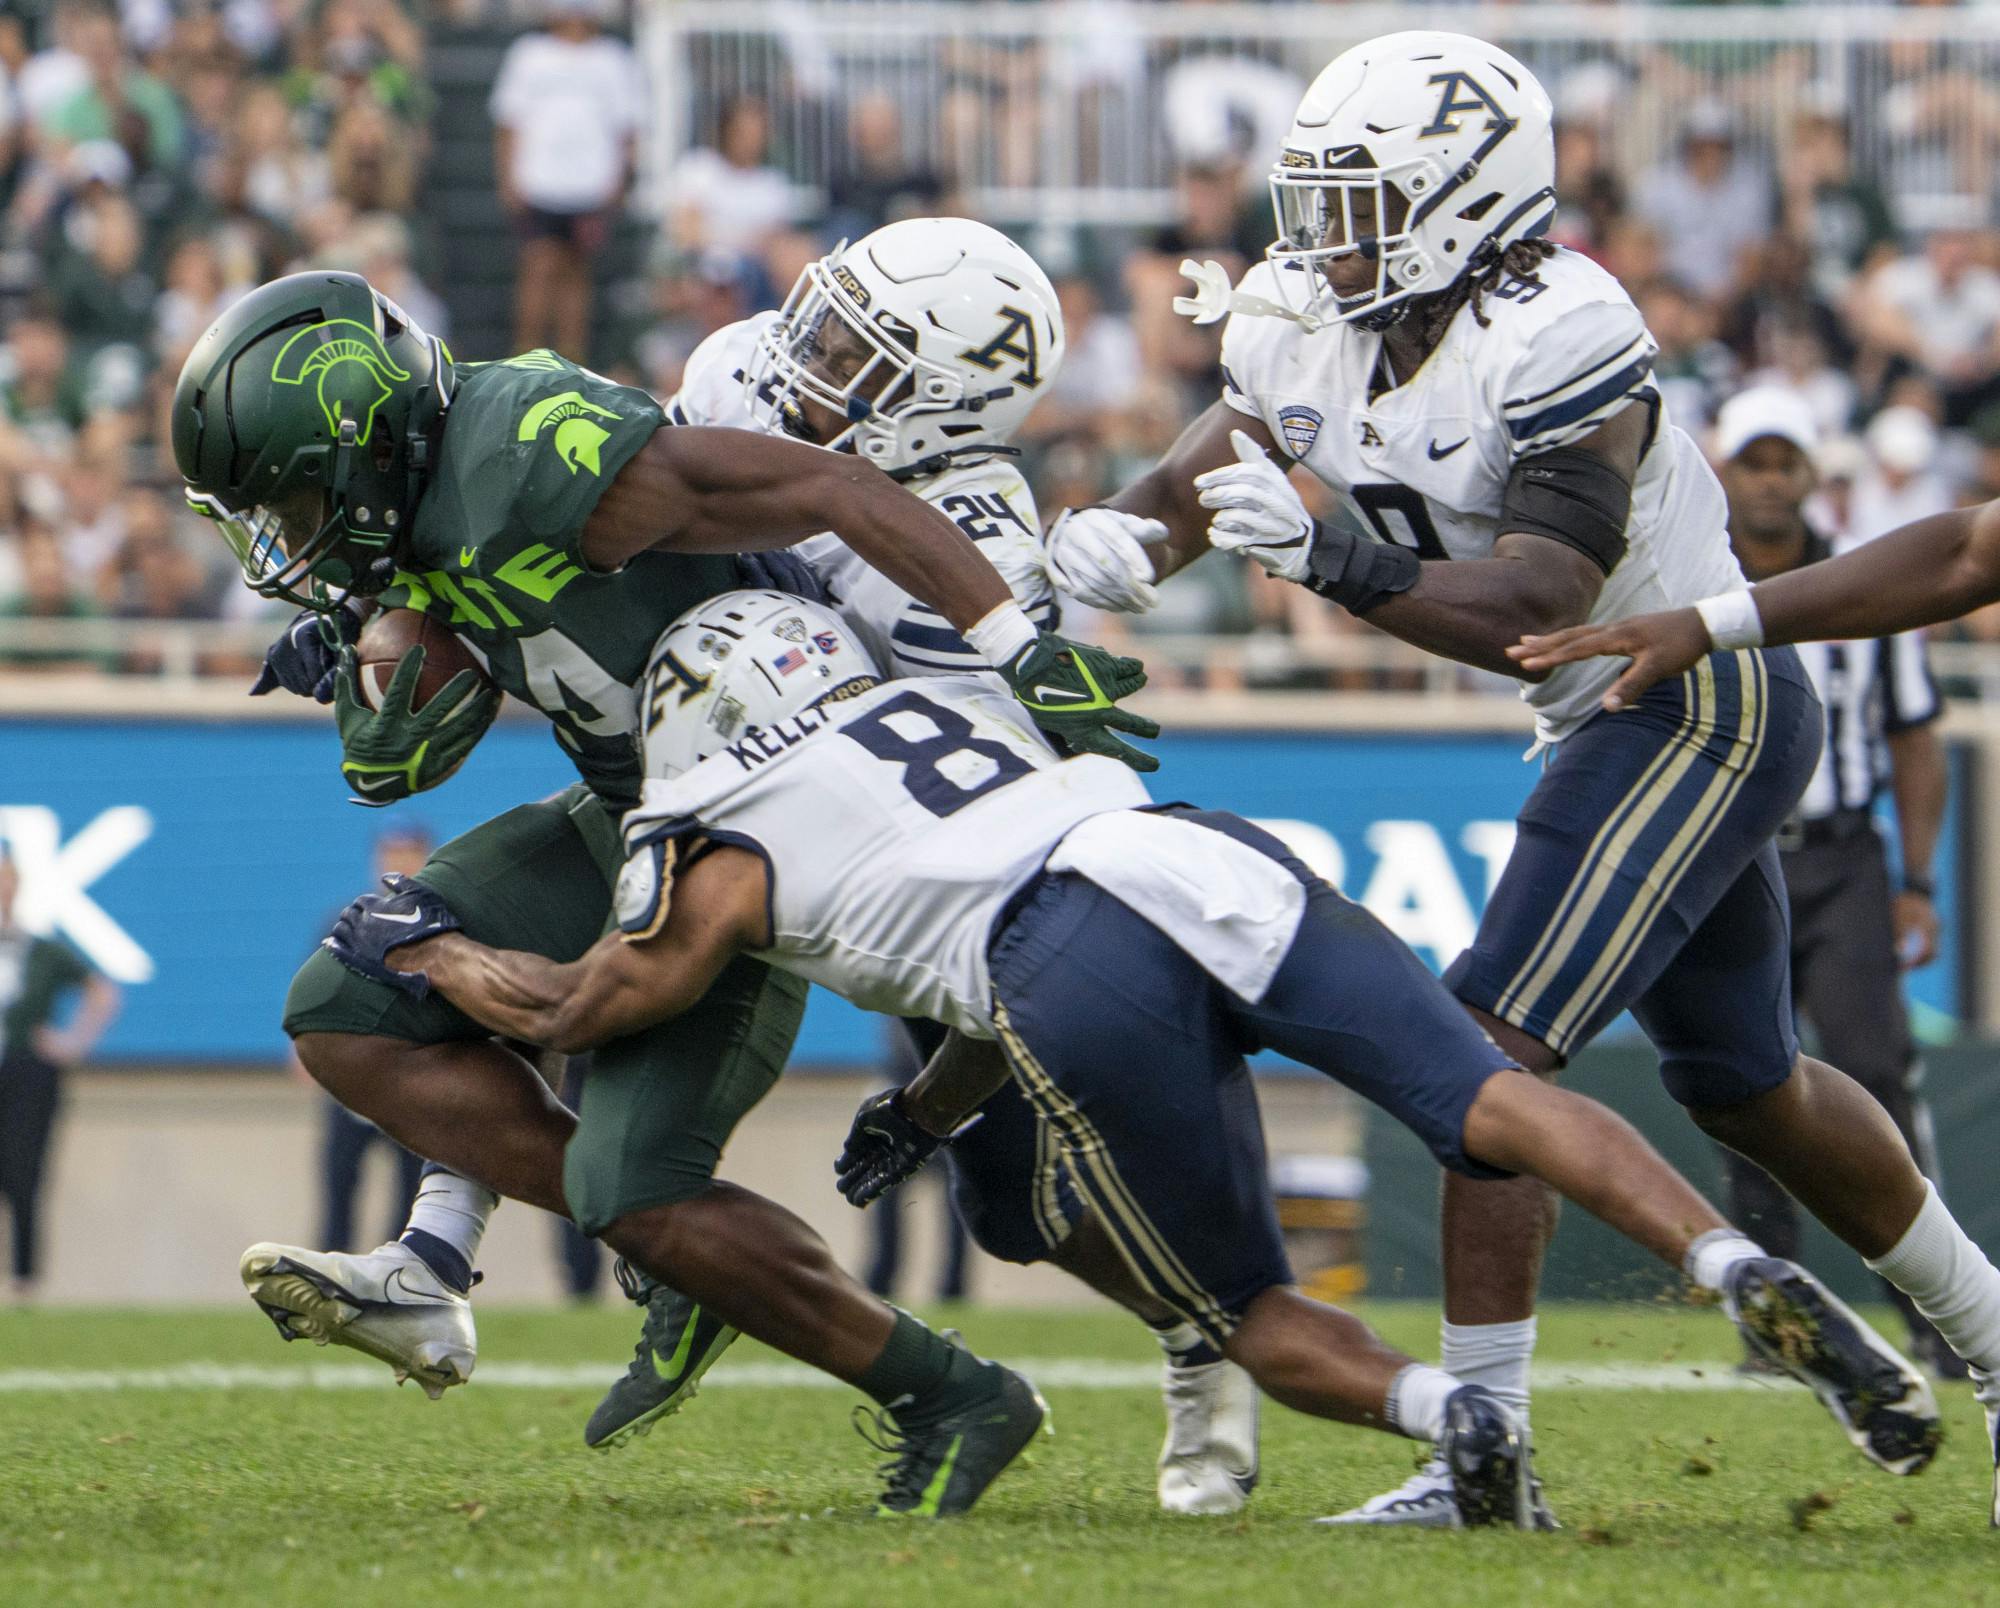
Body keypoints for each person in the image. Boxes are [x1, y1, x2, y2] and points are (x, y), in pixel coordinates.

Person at [331, 587, 1941, 1530]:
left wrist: (420, 937)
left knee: (1236, 1307)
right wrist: (932, 1099)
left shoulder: (712, 830)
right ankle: (1729, 1259)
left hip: (1064, 959)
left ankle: (1448, 1414)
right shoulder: (933, 703)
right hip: (1180, 848)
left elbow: (584, 1009)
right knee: (1497, 1097)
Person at [1041, 29, 2000, 1526]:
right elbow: (1208, 465)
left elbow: (1531, 606)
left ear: (1468, 199)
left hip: (1696, 695)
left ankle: (1482, 1460)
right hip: (1599, 713)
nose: (1322, 240)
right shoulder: (1301, 310)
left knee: (1484, 1053)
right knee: (1747, 1088)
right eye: (1320, 200)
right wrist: (1123, 536)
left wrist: (1332, 560)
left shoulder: (1566, 328)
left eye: (1361, 203)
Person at [178, 266, 1153, 1515]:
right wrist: (372, 613)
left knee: (635, 1190)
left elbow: (832, 484)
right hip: (625, 807)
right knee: (344, 1001)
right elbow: (430, 639)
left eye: (299, 493)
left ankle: (948, 1388)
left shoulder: (525, 445)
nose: (285, 533)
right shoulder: (411, 488)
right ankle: (649, 1255)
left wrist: (1018, 647)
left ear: (368, 440)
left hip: (751, 821)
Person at [1706, 387, 1961, 1378]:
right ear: (1725, 470)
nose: (1769, 480)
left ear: (1812, 475)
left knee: (1875, 1071)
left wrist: (1915, 881)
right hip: (1733, 848)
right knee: (1738, 1083)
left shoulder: (1869, 580)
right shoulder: (1686, 572)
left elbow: (1914, 737)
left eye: (1784, 462)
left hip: (1846, 857)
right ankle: (1778, 1331)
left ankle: (1936, 1316)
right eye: (1753, 461)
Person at [489, 0, 646, 360]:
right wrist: (509, 179)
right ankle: (526, 360)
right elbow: (508, 123)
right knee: (538, 269)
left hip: (590, 185)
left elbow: (627, 129)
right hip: (540, 182)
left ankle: (571, 363)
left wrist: (618, 184)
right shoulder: (529, 55)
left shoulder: (614, 59)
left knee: (577, 276)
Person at [0, 843, 121, 1301]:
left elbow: (102, 992)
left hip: (28, 1071)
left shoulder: (44, 952)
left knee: (23, 1171)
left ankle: (24, 1280)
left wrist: (73, 1041)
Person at [312, 824, 429, 1253]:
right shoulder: (347, 921)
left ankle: (396, 1272)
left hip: (409, 1076)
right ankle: (330, 1269)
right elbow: (316, 992)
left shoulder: (437, 926)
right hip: (353, 1074)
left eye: (408, 854)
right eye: (390, 854)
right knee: (340, 1180)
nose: (397, 864)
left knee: (410, 1188)